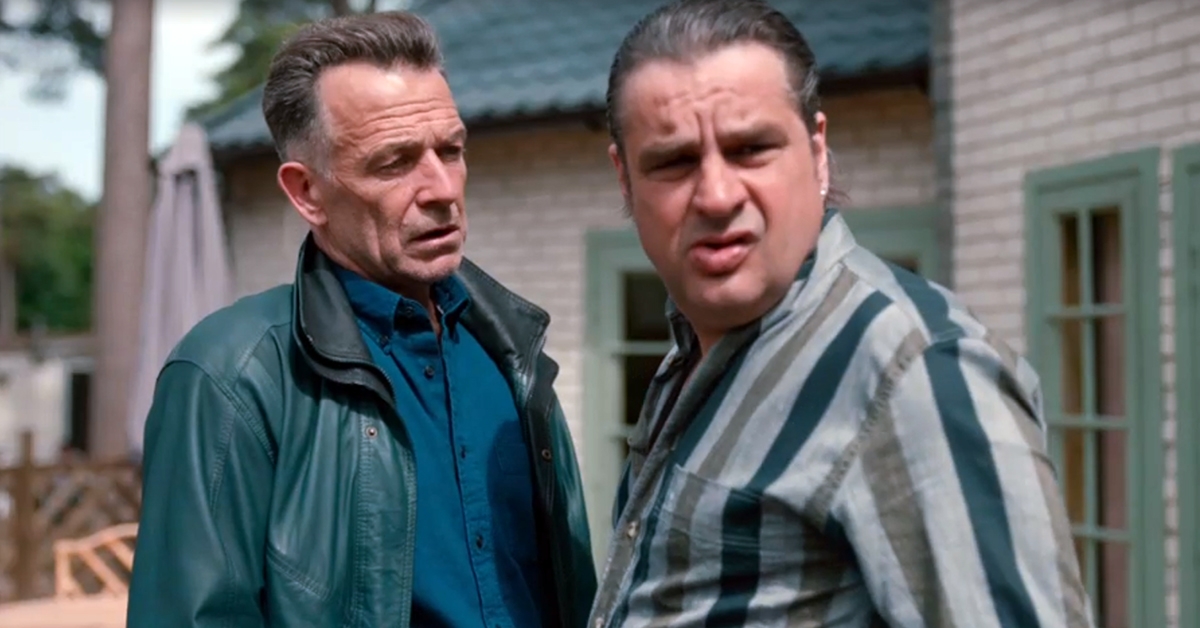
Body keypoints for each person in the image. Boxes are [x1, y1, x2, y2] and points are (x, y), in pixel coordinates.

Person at [587, 1, 1093, 626]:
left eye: (751, 149)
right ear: (624, 179)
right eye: (674, 161)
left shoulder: (913, 371)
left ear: (817, 151)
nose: (717, 196)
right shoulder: (694, 351)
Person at [126, 11, 596, 628]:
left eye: (451, 151)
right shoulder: (230, 376)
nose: (441, 189)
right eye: (395, 162)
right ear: (307, 192)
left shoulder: (516, 353)